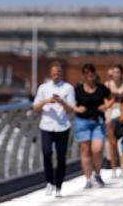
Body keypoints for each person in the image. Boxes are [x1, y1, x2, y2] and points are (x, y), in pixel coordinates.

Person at [32, 62, 76, 197]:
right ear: (50, 74)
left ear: (61, 74)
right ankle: (49, 182)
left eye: (58, 74)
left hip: (62, 126)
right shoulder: (43, 88)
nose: (56, 76)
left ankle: (58, 185)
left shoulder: (68, 88)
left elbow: (71, 109)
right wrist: (46, 101)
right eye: (54, 74)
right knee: (47, 153)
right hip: (47, 125)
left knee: (61, 156)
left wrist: (62, 102)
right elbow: (35, 108)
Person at [74, 63, 111, 188]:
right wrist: (77, 109)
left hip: (98, 122)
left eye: (91, 72)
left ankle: (98, 173)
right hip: (82, 121)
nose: (89, 74)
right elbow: (70, 103)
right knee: (85, 150)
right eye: (86, 72)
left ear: (95, 74)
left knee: (97, 149)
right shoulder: (78, 89)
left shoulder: (101, 88)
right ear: (83, 75)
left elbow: (113, 98)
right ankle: (88, 178)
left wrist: (106, 106)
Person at [104, 64, 123, 178]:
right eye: (114, 72)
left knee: (121, 143)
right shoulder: (107, 85)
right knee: (112, 143)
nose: (115, 74)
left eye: (117, 72)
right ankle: (113, 168)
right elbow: (105, 101)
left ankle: (122, 167)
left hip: (121, 114)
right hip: (111, 113)